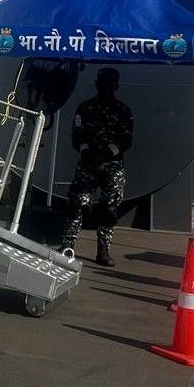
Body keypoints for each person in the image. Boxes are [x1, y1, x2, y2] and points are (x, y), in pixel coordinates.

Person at [62, 67, 133, 267]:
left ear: (116, 86)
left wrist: (105, 155)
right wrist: (88, 154)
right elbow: (77, 135)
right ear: (97, 84)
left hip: (112, 167)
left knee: (109, 210)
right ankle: (67, 246)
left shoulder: (123, 111)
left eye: (110, 84)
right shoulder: (85, 108)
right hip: (87, 164)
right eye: (103, 84)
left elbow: (126, 139)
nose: (106, 88)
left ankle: (103, 251)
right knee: (76, 205)